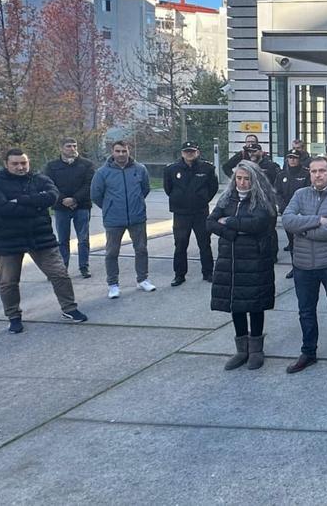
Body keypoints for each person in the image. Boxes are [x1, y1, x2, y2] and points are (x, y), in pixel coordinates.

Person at [0, 148, 88, 333]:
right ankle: (14, 316)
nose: (20, 167)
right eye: (15, 164)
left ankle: (70, 308)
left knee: (60, 274)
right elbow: (0, 208)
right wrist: (35, 205)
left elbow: (51, 196)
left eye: (23, 163)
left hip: (41, 237)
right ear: (6, 164)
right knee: (8, 281)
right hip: (7, 240)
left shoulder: (39, 179)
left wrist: (19, 200)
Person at [282, 156, 327, 374]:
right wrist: (317, 220)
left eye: (322, 170)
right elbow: (286, 220)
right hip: (303, 265)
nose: (318, 175)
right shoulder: (299, 194)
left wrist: (302, 228)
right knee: (306, 312)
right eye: (313, 171)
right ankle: (308, 352)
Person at [208, 161, 278, 371]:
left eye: (247, 178)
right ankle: (241, 349)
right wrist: (233, 231)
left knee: (254, 304)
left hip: (254, 259)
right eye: (239, 178)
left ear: (254, 179)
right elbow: (210, 222)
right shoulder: (227, 198)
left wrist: (228, 222)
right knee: (236, 304)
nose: (242, 182)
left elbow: (257, 224)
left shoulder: (263, 201)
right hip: (229, 260)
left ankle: (256, 349)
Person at [91, 140, 154, 298]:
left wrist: (137, 204)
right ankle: (113, 284)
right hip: (113, 220)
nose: (121, 154)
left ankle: (143, 279)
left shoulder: (140, 169)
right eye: (118, 151)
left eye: (124, 151)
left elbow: (145, 189)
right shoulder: (102, 172)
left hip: (137, 217)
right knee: (112, 252)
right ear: (112, 152)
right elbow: (96, 195)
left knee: (141, 249)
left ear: (129, 151)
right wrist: (110, 207)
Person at [163, 141, 219, 287]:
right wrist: (178, 199)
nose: (189, 154)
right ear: (182, 153)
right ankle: (179, 275)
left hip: (200, 212)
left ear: (197, 152)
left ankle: (208, 272)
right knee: (180, 244)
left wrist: (203, 199)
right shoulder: (172, 169)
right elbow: (168, 188)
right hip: (181, 214)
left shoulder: (207, 168)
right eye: (187, 151)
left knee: (204, 243)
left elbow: (213, 187)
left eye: (192, 151)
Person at [43, 137, 95, 278]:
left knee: (83, 238)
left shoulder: (87, 164)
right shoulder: (52, 166)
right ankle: (62, 268)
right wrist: (62, 199)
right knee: (62, 240)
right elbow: (49, 185)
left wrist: (75, 199)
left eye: (74, 146)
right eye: (68, 146)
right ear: (61, 148)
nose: (72, 149)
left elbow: (89, 184)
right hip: (61, 208)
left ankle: (84, 267)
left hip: (82, 206)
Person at [274, 149, 311, 279]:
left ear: (299, 159)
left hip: (302, 214)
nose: (292, 160)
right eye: (290, 157)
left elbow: (309, 193)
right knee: (292, 242)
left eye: (295, 157)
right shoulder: (281, 175)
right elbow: (277, 193)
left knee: (304, 241)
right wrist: (284, 208)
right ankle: (295, 267)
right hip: (287, 214)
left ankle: (305, 266)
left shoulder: (306, 174)